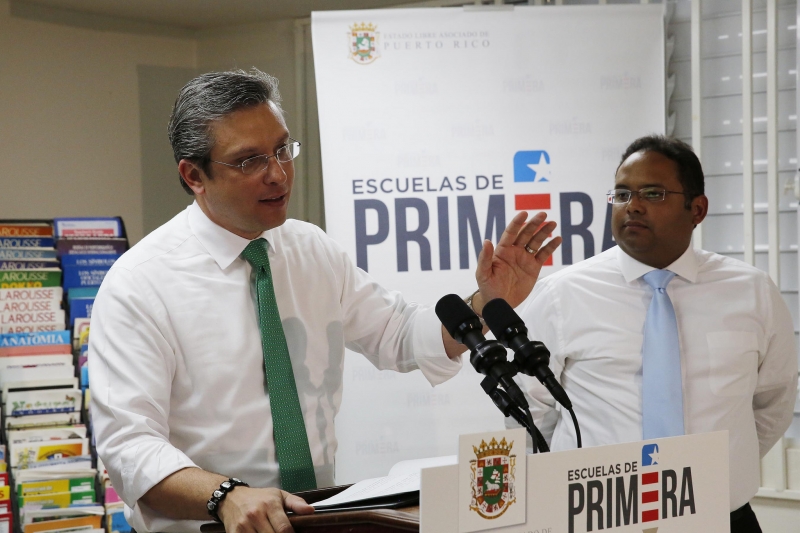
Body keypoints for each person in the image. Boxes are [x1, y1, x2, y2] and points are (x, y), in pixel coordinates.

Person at [88, 68, 561, 533]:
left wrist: (485, 303)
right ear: (194, 175)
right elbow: (129, 445)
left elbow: (398, 334)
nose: (278, 174)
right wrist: (226, 496)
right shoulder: (140, 284)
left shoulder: (310, 249)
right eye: (250, 161)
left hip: (320, 520)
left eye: (282, 150)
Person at [515, 135, 798, 533]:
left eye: (653, 193)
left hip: (723, 519)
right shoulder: (562, 295)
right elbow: (529, 414)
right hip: (600, 519)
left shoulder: (752, 291)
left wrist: (720, 471)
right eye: (622, 194)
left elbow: (773, 403)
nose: (632, 205)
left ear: (697, 209)